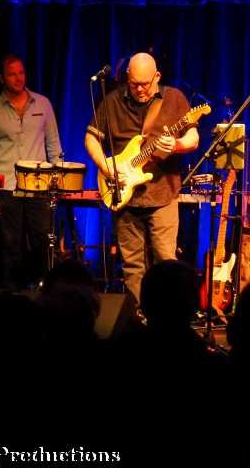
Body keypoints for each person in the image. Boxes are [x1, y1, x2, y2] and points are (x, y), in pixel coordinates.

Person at [84, 52, 198, 307]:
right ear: (127, 77)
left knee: (166, 261)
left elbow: (193, 138)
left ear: (157, 76)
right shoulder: (112, 101)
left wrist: (177, 145)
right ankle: (139, 314)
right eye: (134, 83)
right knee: (132, 264)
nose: (139, 89)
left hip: (162, 194)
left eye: (145, 84)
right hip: (123, 195)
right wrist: (106, 166)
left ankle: (168, 314)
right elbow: (91, 138)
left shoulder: (174, 98)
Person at [0, 54, 63, 289]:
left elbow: (54, 146)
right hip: (7, 188)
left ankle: (44, 291)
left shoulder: (43, 104)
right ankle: (12, 295)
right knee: (10, 245)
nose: (18, 78)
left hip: (39, 186)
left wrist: (57, 183)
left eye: (21, 73)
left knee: (42, 241)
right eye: (12, 74)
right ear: (1, 78)